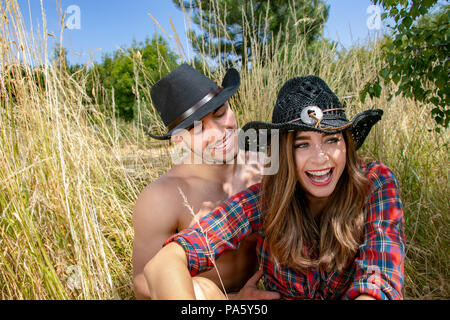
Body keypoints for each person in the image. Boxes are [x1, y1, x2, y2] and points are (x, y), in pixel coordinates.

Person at [143, 75, 406, 300]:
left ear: (347, 143)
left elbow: (379, 281)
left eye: (331, 139)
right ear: (285, 154)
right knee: (200, 290)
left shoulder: (374, 182)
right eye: (302, 144)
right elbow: (158, 267)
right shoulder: (265, 196)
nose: (320, 158)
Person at [132, 64, 279, 299]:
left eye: (220, 113)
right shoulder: (162, 197)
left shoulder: (265, 168)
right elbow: (143, 282)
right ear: (178, 140)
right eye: (196, 128)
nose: (218, 133)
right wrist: (229, 300)